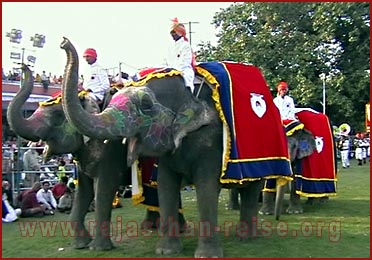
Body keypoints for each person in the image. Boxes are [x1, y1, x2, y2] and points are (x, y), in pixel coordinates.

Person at [166, 18, 196, 93]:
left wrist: (175, 70)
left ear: (180, 33)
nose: (172, 35)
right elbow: (167, 61)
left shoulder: (185, 45)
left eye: (174, 32)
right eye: (171, 33)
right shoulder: (170, 47)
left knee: (186, 83)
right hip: (171, 71)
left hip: (184, 71)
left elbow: (185, 62)